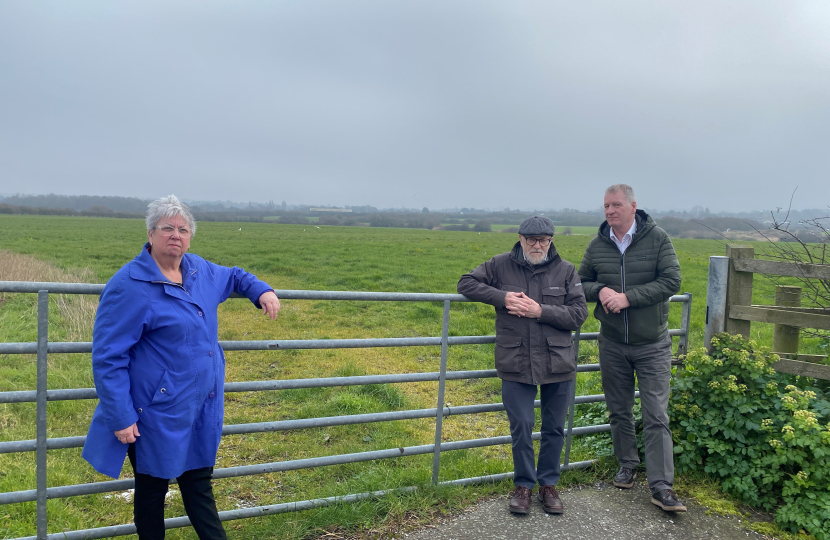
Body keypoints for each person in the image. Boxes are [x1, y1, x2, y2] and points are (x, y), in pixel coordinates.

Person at [82, 195, 281, 539]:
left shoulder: (199, 270)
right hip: (156, 410)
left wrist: (261, 291)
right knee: (152, 488)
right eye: (167, 228)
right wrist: (121, 415)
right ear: (150, 233)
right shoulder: (129, 286)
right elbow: (108, 357)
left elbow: (234, 275)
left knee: (199, 484)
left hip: (201, 405)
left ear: (191, 237)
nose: (176, 235)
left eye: (183, 229)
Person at [457, 216, 588, 515]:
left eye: (543, 239)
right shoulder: (499, 264)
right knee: (522, 425)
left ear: (552, 240)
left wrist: (540, 311)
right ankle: (524, 486)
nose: (537, 245)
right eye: (531, 239)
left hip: (558, 360)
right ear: (520, 238)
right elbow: (466, 282)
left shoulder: (566, 270)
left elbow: (579, 314)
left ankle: (548, 485)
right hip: (515, 358)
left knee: (554, 427)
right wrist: (501, 297)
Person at [577, 184, 685, 512]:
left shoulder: (658, 239)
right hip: (612, 343)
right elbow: (579, 283)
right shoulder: (598, 245)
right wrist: (603, 290)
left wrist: (628, 297)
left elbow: (671, 281)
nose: (610, 211)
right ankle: (627, 463)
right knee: (619, 410)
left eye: (616, 205)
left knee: (656, 414)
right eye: (606, 206)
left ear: (633, 206)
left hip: (652, 343)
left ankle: (662, 486)